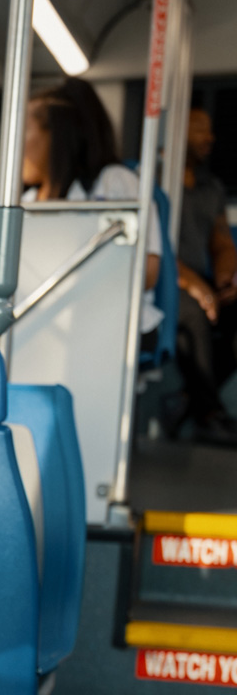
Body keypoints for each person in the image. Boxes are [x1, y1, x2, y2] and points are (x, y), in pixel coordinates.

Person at [22, 78, 237, 442]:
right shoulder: (27, 201)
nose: (18, 144)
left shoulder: (115, 183)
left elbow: (148, 270)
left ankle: (204, 409)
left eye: (26, 130)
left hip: (106, 316)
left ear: (58, 135)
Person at [178, 105, 237, 388]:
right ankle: (207, 407)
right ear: (178, 131)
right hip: (169, 280)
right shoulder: (154, 181)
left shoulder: (211, 187)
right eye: (200, 129)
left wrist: (226, 279)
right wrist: (195, 286)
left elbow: (222, 243)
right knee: (195, 314)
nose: (210, 138)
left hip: (202, 279)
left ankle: (202, 398)